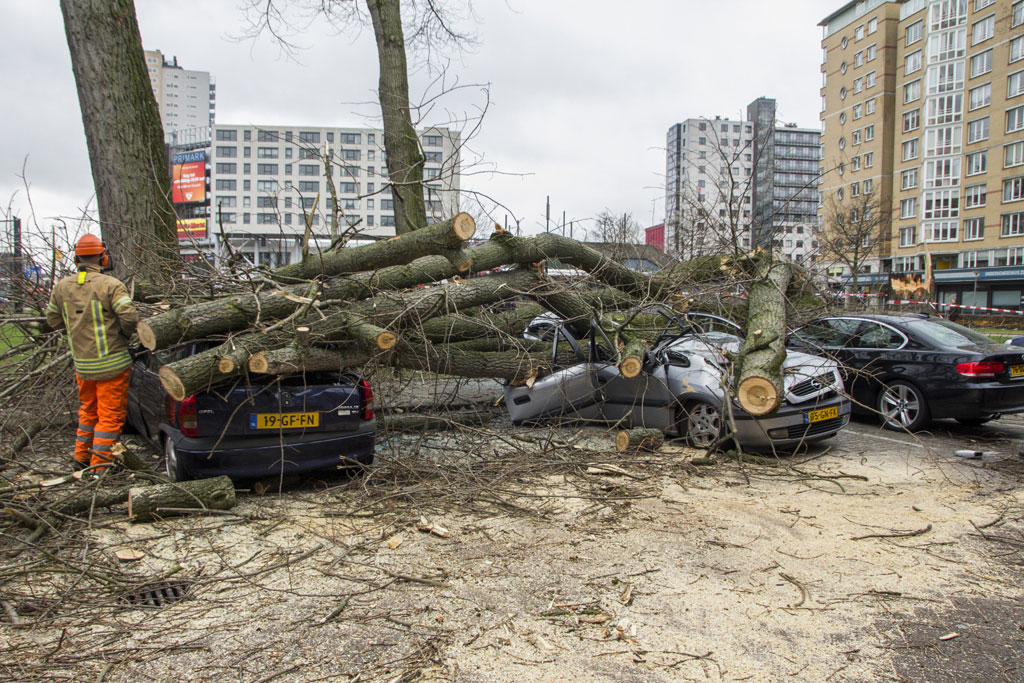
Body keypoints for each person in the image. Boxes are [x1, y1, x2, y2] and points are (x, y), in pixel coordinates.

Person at [45, 235, 138, 471]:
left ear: (77, 257)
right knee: (109, 418)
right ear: (102, 256)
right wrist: (123, 336)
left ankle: (81, 458)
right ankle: (100, 468)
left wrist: (74, 330)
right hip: (112, 365)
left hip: (83, 365)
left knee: (88, 411)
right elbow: (129, 316)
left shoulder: (62, 286)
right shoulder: (110, 284)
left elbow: (52, 319)